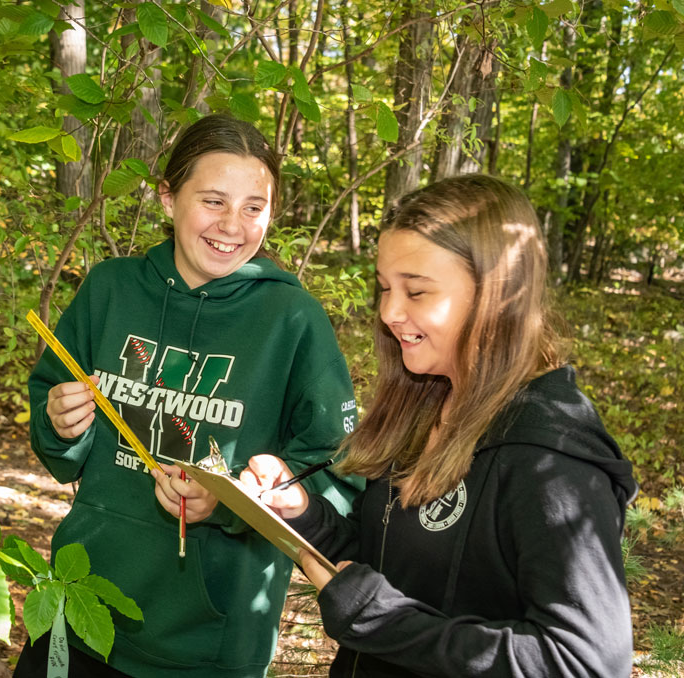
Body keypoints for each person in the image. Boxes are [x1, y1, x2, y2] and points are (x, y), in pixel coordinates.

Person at [242, 174, 638, 677]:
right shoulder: (427, 404)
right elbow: (390, 566)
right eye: (384, 288)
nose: (389, 312)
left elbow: (586, 663)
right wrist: (302, 514)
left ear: (500, 295)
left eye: (417, 291)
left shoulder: (549, 459)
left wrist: (382, 620)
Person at [15, 113, 363, 678]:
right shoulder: (110, 289)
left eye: (255, 207)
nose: (233, 224)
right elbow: (53, 435)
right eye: (213, 201)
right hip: (79, 603)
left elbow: (337, 469)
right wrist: (60, 423)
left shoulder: (291, 320)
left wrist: (231, 501)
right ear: (167, 197)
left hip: (209, 642)